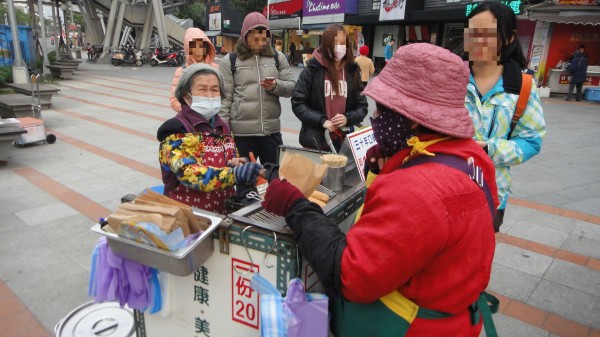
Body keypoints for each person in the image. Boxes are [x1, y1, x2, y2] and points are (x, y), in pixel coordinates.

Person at [262, 43, 499, 336]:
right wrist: (387, 167)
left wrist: (295, 206)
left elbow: (351, 277)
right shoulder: (473, 158)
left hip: (408, 326)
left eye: (382, 110)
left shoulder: (416, 188)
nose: (376, 119)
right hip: (456, 315)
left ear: (411, 119)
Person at [464, 1, 546, 232]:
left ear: (508, 38)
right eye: (472, 31)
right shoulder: (450, 76)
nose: (477, 40)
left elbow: (531, 141)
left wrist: (489, 149)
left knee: (475, 261)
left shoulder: (523, 87)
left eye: (487, 33)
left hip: (491, 194)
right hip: (443, 186)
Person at [157, 63, 262, 215]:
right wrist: (234, 175)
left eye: (214, 89)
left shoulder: (222, 126)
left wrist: (237, 164)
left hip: (222, 212)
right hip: (188, 217)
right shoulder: (177, 129)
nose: (210, 95)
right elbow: (190, 174)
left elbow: (231, 157)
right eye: (202, 89)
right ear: (187, 96)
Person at [219, 12, 296, 164]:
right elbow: (225, 99)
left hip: (271, 133)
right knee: (245, 181)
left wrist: (276, 86)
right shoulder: (230, 60)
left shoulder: (277, 57)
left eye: (264, 37)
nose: (260, 42)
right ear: (245, 35)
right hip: (242, 135)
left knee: (275, 181)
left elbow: (292, 87)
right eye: (255, 37)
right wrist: (223, 132)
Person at [291, 24, 368, 152]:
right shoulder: (312, 70)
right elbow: (298, 102)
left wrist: (348, 118)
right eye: (334, 43)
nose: (339, 47)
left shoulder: (352, 71)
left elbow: (362, 106)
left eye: (342, 43)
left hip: (344, 141)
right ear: (325, 45)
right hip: (315, 140)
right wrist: (321, 121)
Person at [170, 28, 219, 113]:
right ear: (188, 48)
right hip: (190, 119)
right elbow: (174, 101)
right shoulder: (181, 71)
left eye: (201, 46)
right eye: (194, 46)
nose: (198, 50)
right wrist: (191, 112)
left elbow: (224, 96)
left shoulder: (216, 69)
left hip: (212, 117)